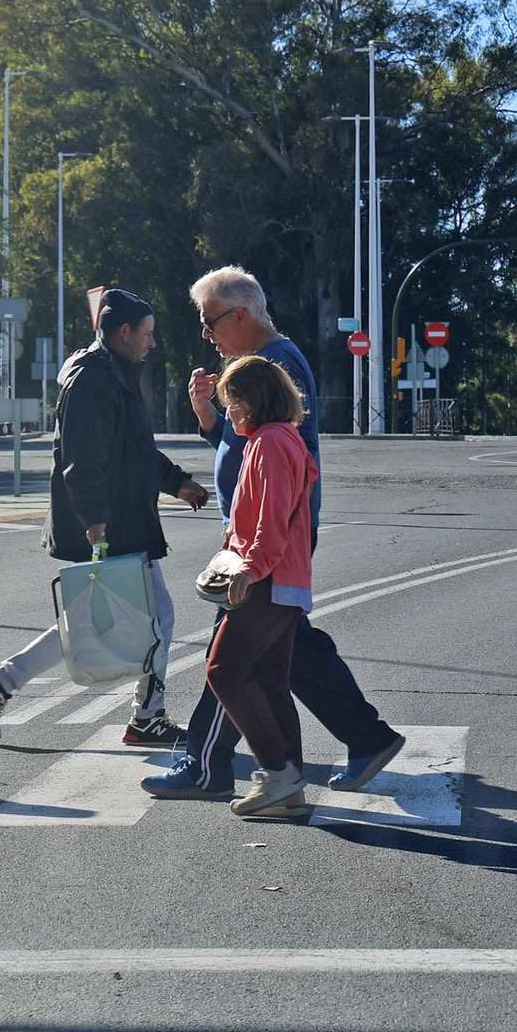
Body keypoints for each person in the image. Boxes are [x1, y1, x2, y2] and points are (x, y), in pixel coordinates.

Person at [142, 265, 404, 800]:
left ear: (240, 315)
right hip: (262, 539)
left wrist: (251, 560)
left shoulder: (272, 365)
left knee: (231, 662)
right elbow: (246, 445)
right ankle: (345, 745)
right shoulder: (266, 365)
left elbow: (271, 455)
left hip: (265, 542)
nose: (207, 335)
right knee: (280, 654)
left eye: (210, 322)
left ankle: (209, 764)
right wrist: (207, 417)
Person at [0, 289, 210, 747]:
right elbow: (81, 456)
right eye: (148, 334)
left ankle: (0, 684)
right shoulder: (94, 380)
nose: (152, 343)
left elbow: (133, 449)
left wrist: (175, 481)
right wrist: (95, 519)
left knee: (98, 619)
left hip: (123, 518)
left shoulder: (115, 374)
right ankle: (147, 717)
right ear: (124, 333)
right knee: (154, 617)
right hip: (112, 522)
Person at [200, 356, 317, 817]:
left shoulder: (269, 444)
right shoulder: (279, 440)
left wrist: (249, 568)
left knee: (223, 671)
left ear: (254, 400)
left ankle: (276, 773)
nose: (229, 412)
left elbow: (273, 516)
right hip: (286, 579)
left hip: (267, 578)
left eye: (234, 402)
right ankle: (288, 791)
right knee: (270, 682)